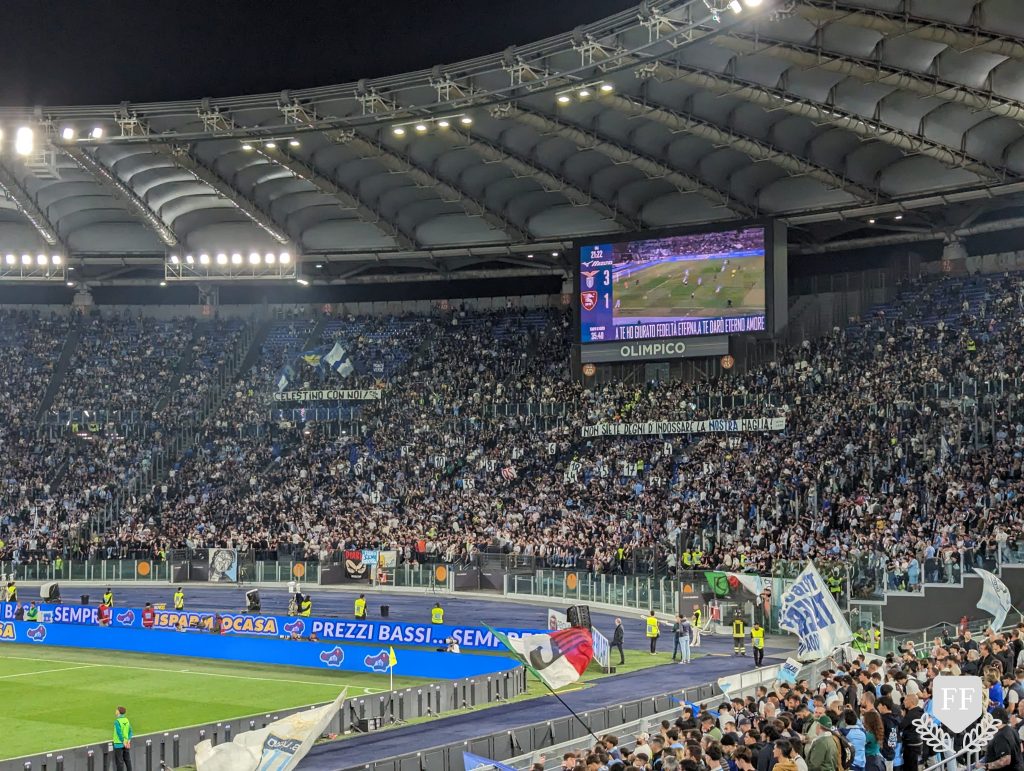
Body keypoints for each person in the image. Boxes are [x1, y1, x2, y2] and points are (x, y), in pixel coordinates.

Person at [112, 706, 133, 771]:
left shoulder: (117, 721)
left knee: (119, 762)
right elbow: (130, 732)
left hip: (118, 744)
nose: (115, 711)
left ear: (118, 712)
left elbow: (119, 733)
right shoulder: (126, 720)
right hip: (126, 744)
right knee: (128, 760)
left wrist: (123, 741)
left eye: (116, 710)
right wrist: (128, 741)